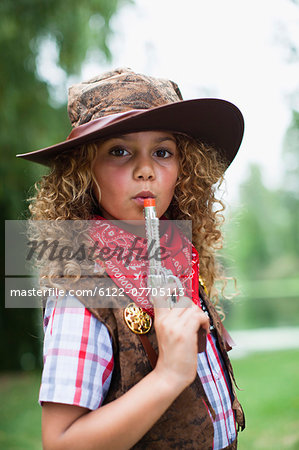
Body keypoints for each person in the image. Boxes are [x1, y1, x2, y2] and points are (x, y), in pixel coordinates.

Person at [18, 67, 245, 449]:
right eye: (120, 151)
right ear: (84, 172)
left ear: (183, 169)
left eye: (162, 152)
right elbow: (61, 443)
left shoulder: (178, 256)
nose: (145, 170)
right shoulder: (81, 286)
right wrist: (168, 375)